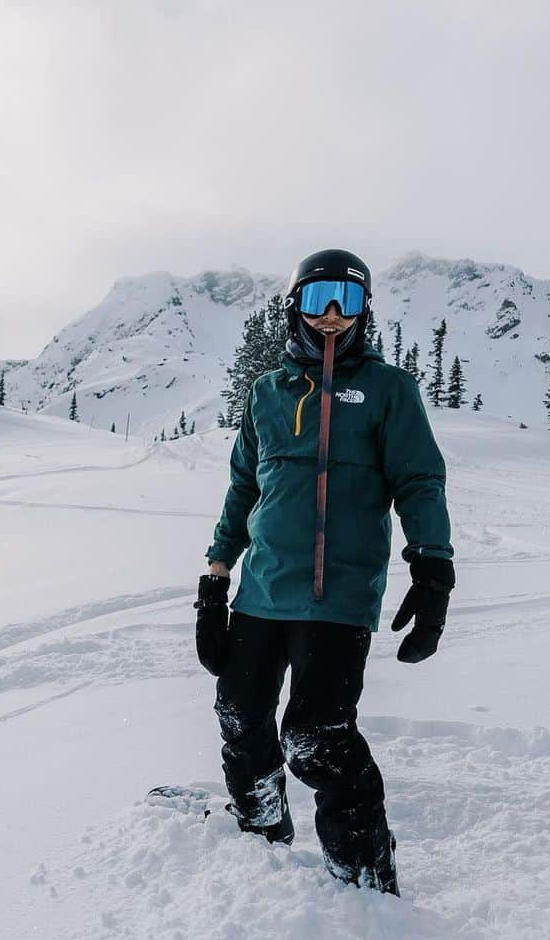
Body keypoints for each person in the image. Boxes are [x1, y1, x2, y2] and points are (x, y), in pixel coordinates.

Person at [195, 249, 454, 895]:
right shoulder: (267, 393)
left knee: (316, 737)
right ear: (295, 310)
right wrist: (215, 577)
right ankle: (261, 821)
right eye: (318, 301)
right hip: (262, 592)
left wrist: (432, 570)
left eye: (348, 300)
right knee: (238, 711)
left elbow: (420, 481)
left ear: (366, 309)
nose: (334, 316)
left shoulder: (389, 391)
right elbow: (241, 490)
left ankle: (365, 868)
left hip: (339, 600)